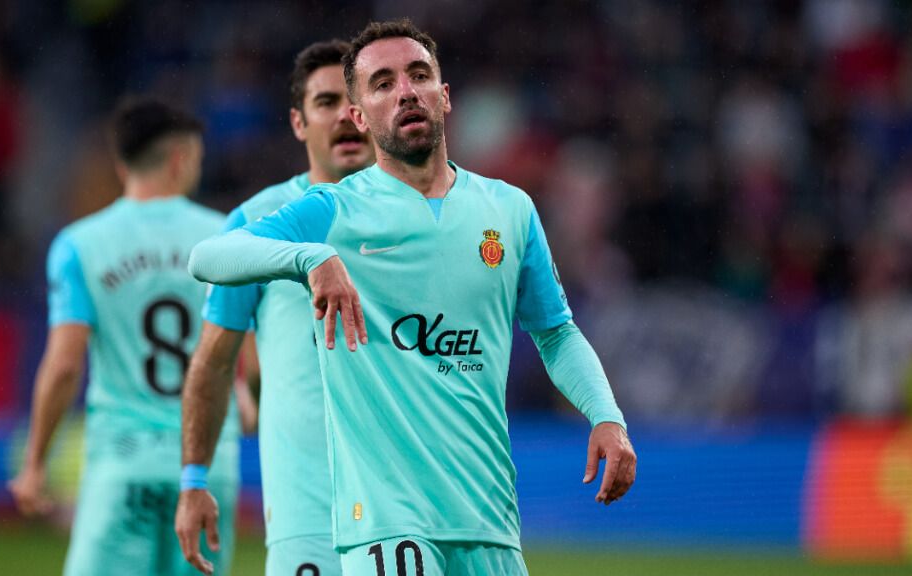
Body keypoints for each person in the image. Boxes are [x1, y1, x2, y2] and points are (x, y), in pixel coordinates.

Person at [189, 19, 637, 576]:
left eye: (419, 75)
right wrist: (310, 257)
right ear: (359, 116)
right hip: (387, 526)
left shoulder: (510, 209)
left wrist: (605, 415)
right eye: (382, 83)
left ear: (444, 97)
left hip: (487, 516)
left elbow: (555, 331)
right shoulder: (336, 211)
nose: (405, 91)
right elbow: (208, 257)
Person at [9, 97, 240, 576]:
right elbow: (249, 360)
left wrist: (35, 462)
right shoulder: (226, 239)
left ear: (120, 163)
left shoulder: (79, 244)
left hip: (123, 461)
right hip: (206, 467)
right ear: (180, 159)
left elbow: (65, 363)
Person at [175, 40, 375, 576]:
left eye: (355, 102)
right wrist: (194, 480)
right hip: (305, 511)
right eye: (326, 102)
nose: (345, 117)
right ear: (298, 122)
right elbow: (214, 361)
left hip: (409, 507)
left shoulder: (423, 217)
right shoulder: (258, 222)